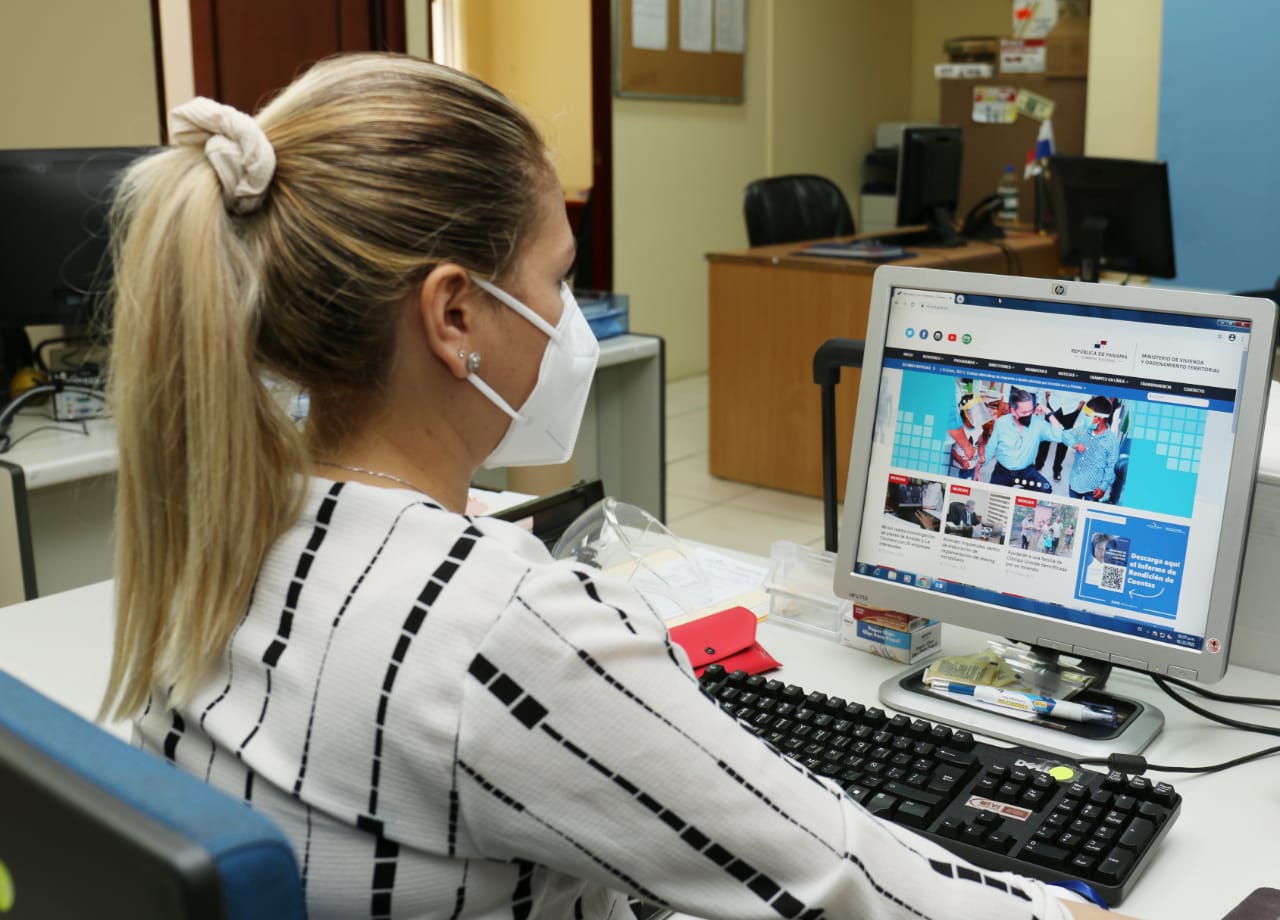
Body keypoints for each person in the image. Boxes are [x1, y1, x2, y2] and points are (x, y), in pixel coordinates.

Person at [100, 53, 1126, 920]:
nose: (569, 315)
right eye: (556, 279)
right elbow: (839, 881)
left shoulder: (221, 527)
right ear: (453, 316)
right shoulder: (494, 625)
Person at [987, 387, 1070, 492]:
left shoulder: (1038, 423)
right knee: (993, 494)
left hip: (1026, 470)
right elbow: (990, 447)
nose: (1028, 415)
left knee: (1046, 489)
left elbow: (1060, 436)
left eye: (1031, 411)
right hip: (1003, 470)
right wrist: (978, 467)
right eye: (1024, 412)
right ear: (1013, 411)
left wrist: (1049, 413)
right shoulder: (1001, 423)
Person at [1062, 396, 1122, 502]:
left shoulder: (1112, 441)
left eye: (1087, 415)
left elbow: (1111, 466)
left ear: (1100, 418)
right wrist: (1075, 444)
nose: (1085, 418)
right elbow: (1066, 434)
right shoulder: (1083, 429)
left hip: (1094, 489)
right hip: (1075, 482)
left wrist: (1103, 487)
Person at [1035, 392, 1085, 482]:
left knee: (1064, 440)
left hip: (1072, 407)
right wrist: (1048, 393)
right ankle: (1038, 465)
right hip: (1054, 402)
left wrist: (1081, 403)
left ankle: (1057, 469)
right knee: (1046, 436)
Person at [947, 393, 990, 480]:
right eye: (973, 414)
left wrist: (982, 455)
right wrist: (961, 461)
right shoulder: (958, 430)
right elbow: (950, 450)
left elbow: (981, 444)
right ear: (965, 413)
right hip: (957, 468)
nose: (976, 417)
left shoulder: (979, 428)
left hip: (971, 468)